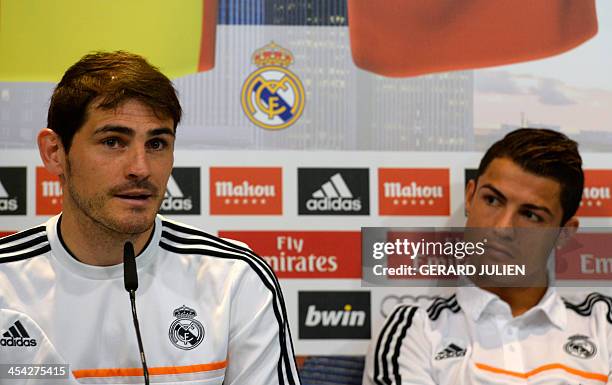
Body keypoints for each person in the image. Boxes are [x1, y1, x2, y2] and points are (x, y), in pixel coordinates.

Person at [0, 51, 301, 385]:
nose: (140, 169)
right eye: (113, 141)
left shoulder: (235, 277)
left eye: (157, 144)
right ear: (55, 152)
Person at [364, 129, 611, 384]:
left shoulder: (603, 322)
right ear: (470, 197)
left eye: (531, 215)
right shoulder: (414, 329)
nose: (503, 228)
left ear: (563, 234)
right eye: (492, 200)